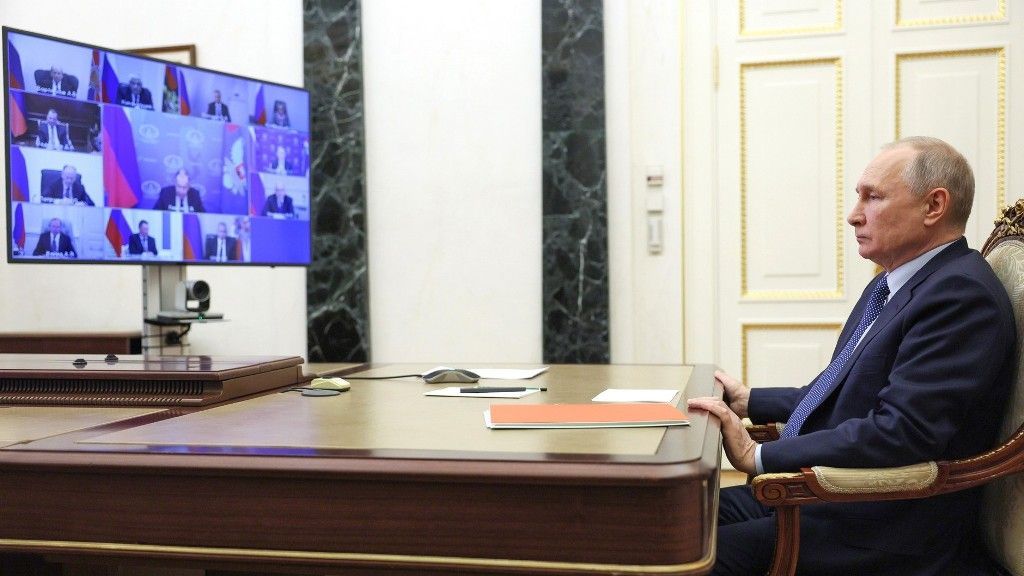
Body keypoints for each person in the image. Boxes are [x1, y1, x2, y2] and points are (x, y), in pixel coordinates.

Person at [688, 137, 1017, 575]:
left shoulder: (960, 295)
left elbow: (901, 431)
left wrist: (758, 455)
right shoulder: (896, 282)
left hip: (879, 528)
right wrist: (750, 400)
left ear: (934, 206)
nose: (854, 214)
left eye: (873, 197)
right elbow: (838, 389)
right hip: (826, 499)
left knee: (682, 556)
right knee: (669, 519)